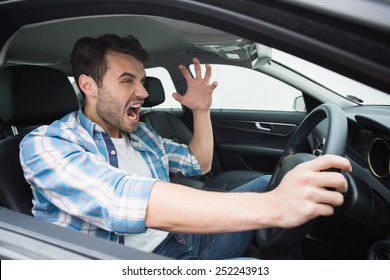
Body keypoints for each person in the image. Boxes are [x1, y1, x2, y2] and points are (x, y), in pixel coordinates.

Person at [19, 34, 351, 259]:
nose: (144, 93)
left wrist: (201, 110)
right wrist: (275, 206)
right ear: (88, 85)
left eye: (142, 80)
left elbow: (199, 163)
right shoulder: (47, 144)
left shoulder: (142, 135)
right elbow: (120, 199)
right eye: (127, 81)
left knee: (267, 184)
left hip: (176, 239)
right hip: (128, 259)